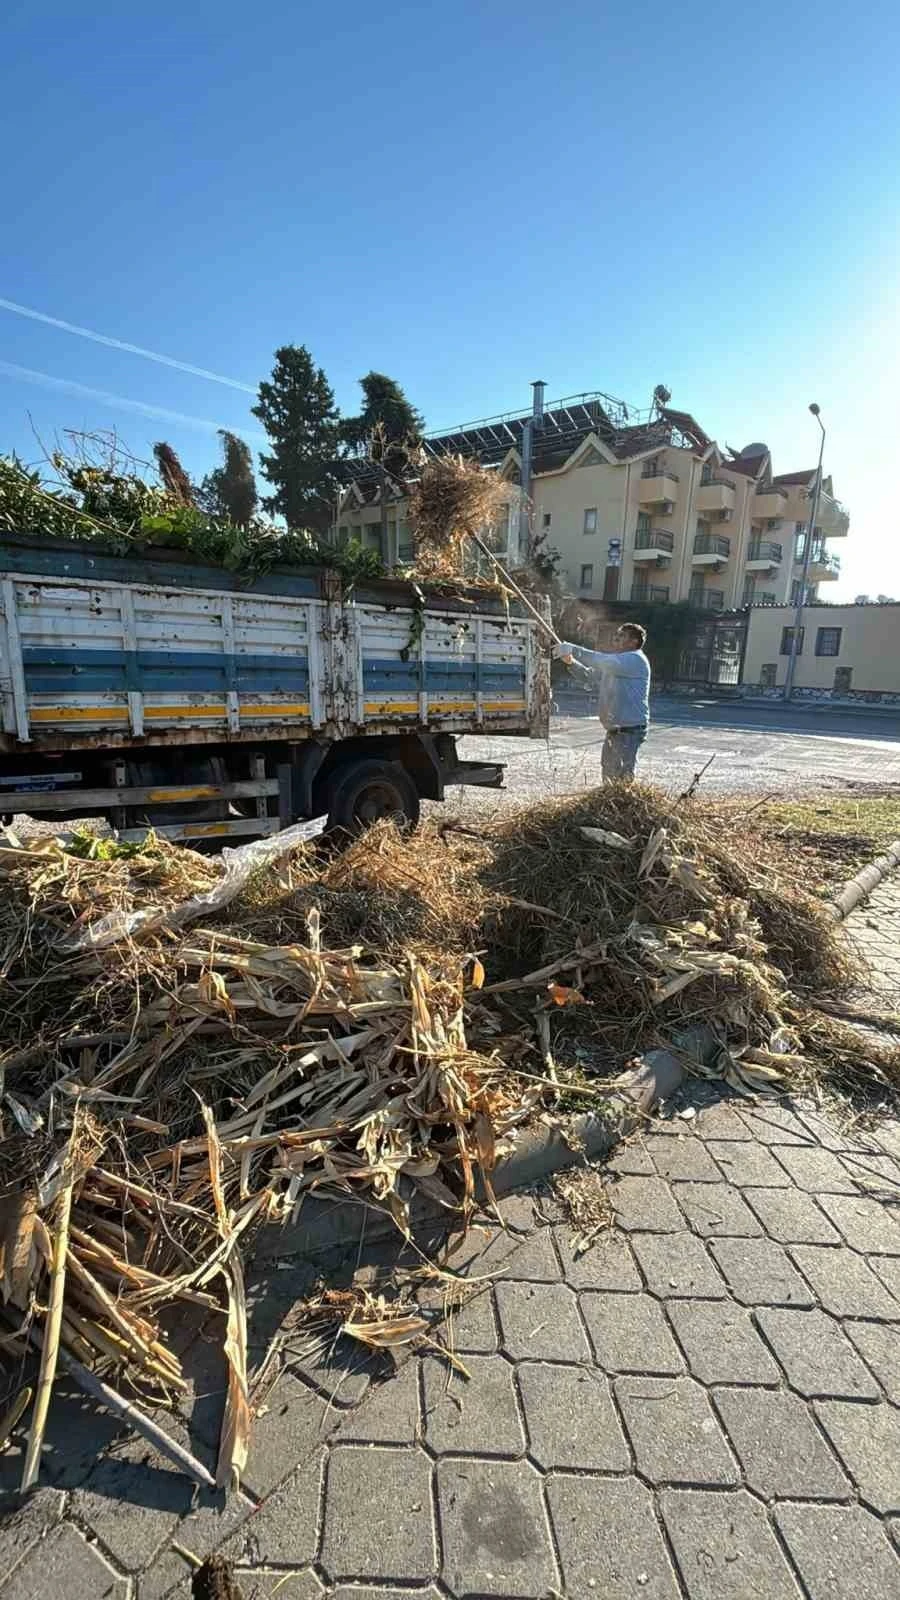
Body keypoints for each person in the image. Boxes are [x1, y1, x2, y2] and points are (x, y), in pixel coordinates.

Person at [556, 622, 651, 783]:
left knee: (621, 776)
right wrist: (571, 662)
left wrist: (574, 649)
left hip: (629, 729)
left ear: (634, 642)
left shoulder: (634, 659)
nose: (616, 639)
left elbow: (601, 660)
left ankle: (622, 806)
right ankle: (612, 804)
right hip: (616, 728)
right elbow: (589, 676)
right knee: (608, 772)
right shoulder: (617, 662)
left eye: (621, 636)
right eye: (616, 636)